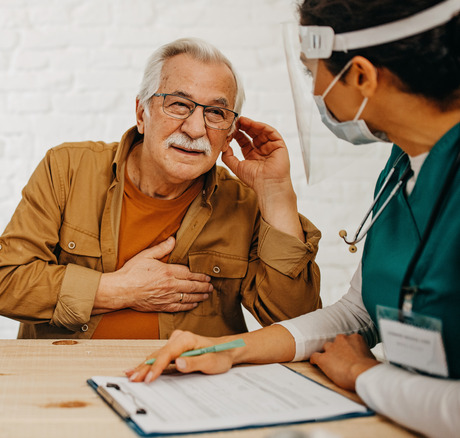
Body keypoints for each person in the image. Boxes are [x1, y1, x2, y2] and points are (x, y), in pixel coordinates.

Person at [129, 1, 460, 437]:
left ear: (360, 76)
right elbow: (357, 315)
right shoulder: (403, 165)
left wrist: (363, 374)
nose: (314, 92)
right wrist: (227, 348)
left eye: (312, 72)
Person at [0, 38, 322, 340]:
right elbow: (3, 285)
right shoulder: (67, 169)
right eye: (178, 105)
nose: (195, 128)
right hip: (65, 381)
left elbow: (297, 324)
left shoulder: (245, 204)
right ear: (142, 114)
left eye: (216, 113)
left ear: (230, 133)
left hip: (191, 389)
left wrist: (276, 193)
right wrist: (120, 290)